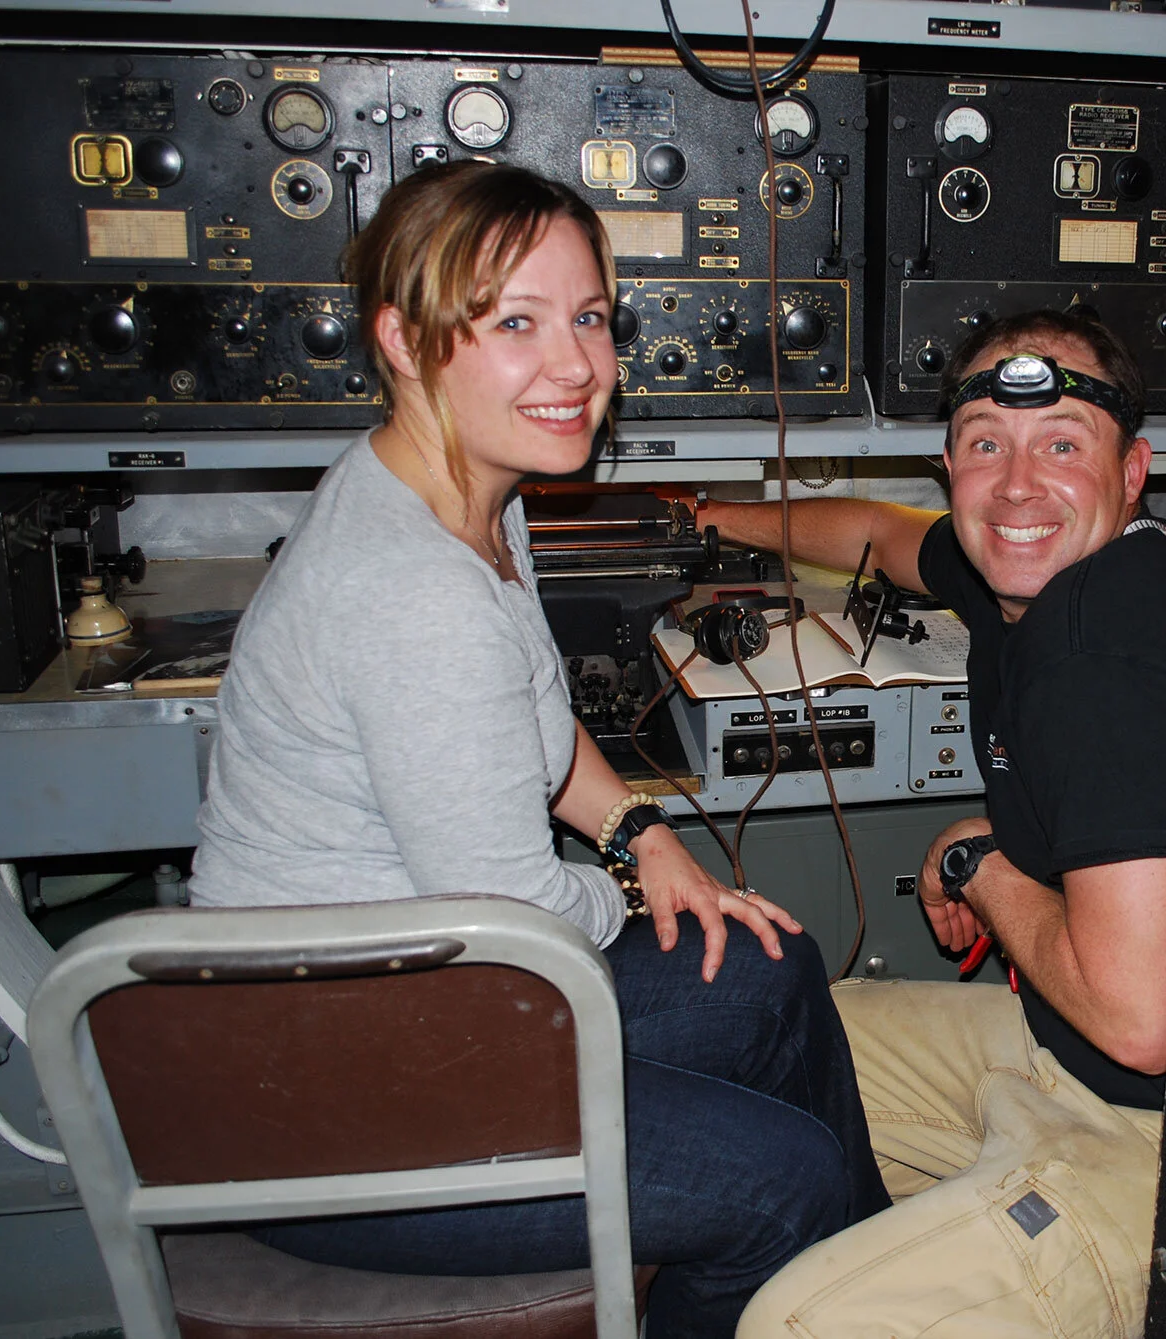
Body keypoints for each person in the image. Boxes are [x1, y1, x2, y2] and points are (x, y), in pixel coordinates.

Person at [187, 160, 888, 1338]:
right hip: (329, 1109)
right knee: (782, 1182)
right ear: (402, 340)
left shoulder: (465, 490)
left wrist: (639, 833)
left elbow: (532, 715)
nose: (576, 367)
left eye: (590, 318)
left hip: (422, 1016)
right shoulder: (414, 592)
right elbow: (518, 925)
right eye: (515, 323)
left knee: (771, 967)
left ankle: (875, 1292)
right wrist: (625, 894)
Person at [702, 309, 1166, 1337]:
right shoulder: (1031, 566)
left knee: (793, 1325)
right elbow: (876, 536)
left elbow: (1139, 1020)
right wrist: (706, 513)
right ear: (950, 468)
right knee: (788, 1028)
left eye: (1061, 445)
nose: (1016, 487)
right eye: (986, 446)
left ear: (1133, 470)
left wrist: (973, 856)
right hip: (1059, 1056)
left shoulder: (1102, 658)